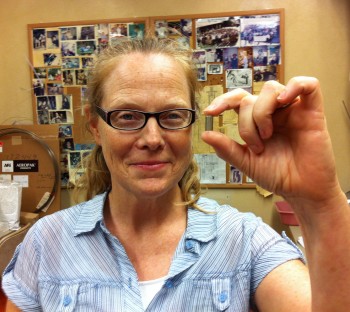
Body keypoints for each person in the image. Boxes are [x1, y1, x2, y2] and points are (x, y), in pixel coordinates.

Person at [2, 37, 350, 312]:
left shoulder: (244, 240)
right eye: (126, 116)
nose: (152, 139)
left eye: (171, 115)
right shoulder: (46, 242)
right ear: (96, 128)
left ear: (191, 126)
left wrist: (319, 202)